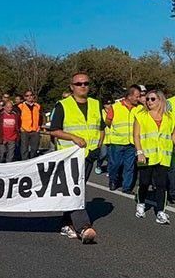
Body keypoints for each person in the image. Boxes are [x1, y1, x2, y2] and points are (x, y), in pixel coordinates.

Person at [49, 73, 103, 244]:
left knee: (76, 189)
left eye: (86, 83)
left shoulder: (95, 104)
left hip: (89, 155)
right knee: (76, 190)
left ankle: (66, 223)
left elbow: (101, 128)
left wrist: (98, 146)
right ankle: (83, 227)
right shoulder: (63, 106)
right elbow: (54, 130)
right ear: (71, 86)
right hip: (70, 156)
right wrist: (72, 137)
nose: (83, 86)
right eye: (79, 83)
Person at [133, 90, 174, 224]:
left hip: (163, 156)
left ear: (160, 101)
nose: (149, 102)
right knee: (144, 182)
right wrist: (139, 152)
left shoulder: (169, 118)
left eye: (152, 99)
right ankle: (141, 203)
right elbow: (136, 135)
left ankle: (161, 212)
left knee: (162, 185)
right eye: (148, 99)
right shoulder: (141, 116)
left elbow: (172, 134)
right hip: (145, 156)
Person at [104, 85, 141, 192]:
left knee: (129, 166)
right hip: (117, 142)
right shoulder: (115, 107)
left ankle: (127, 187)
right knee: (115, 164)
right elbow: (108, 122)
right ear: (129, 96)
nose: (138, 99)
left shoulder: (139, 108)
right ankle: (113, 180)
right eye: (137, 96)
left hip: (132, 143)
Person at [18, 90, 43, 159]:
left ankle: (33, 162)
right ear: (24, 97)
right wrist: (20, 127)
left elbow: (41, 117)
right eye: (27, 95)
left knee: (34, 149)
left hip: (35, 130)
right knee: (24, 149)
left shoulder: (38, 106)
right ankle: (25, 163)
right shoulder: (20, 106)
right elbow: (17, 118)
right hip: (24, 130)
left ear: (33, 96)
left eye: (31, 95)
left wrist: (39, 126)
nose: (29, 97)